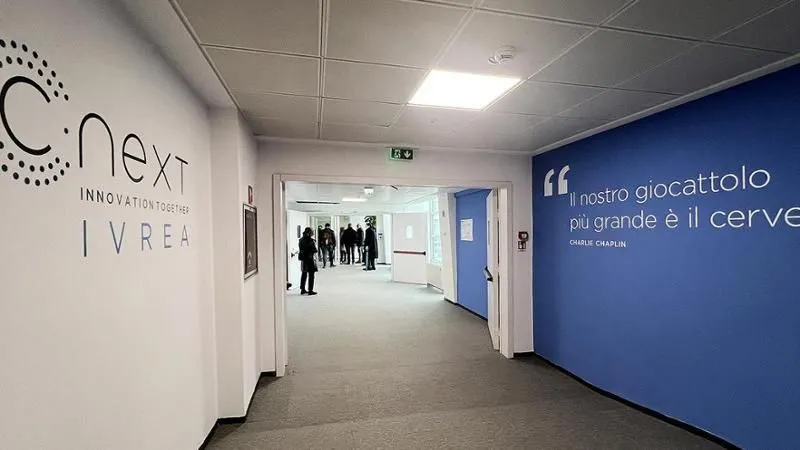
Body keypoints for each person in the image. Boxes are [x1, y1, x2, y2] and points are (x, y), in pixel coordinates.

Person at [298, 227, 318, 295]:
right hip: (310, 259)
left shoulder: (301, 240)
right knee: (311, 275)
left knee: (304, 274)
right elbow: (314, 250)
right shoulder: (311, 241)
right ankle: (310, 290)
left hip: (303, 259)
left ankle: (302, 289)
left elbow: (301, 249)